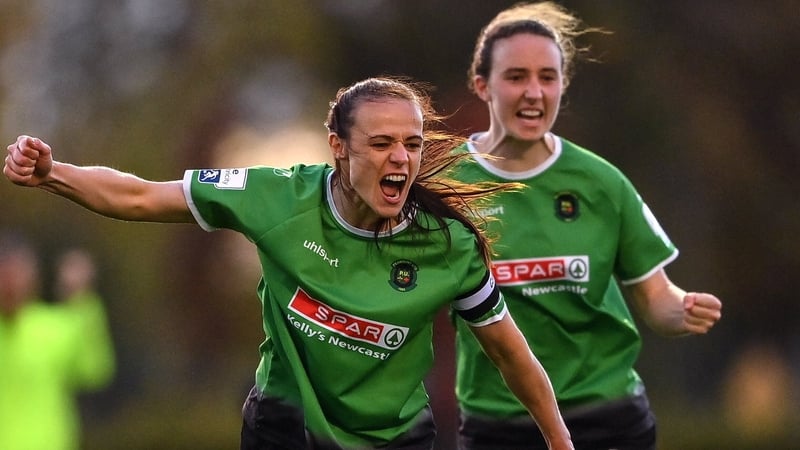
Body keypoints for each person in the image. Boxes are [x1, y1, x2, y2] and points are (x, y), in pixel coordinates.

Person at [4, 77, 573, 449]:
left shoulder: (448, 247)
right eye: (380, 143)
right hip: (286, 425)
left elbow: (509, 352)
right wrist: (54, 173)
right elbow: (140, 196)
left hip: (395, 436)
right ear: (338, 147)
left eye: (412, 144)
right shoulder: (275, 198)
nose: (401, 157)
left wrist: (559, 441)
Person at [449, 2, 723, 450]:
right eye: (516, 76)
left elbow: (656, 298)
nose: (534, 92)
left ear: (562, 85)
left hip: (603, 416)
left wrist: (682, 309)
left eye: (547, 77)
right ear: (482, 85)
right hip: (498, 424)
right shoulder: (446, 185)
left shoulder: (601, 182)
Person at [0, 234, 116, 450]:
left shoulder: (55, 328)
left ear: (32, 277)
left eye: (17, 274)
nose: (10, 284)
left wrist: (81, 297)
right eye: (5, 275)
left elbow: (95, 371)